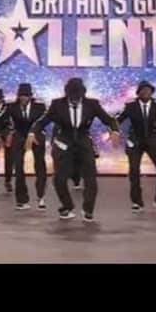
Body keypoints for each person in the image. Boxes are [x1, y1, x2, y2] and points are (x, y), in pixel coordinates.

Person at [26, 78, 120, 222]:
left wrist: (115, 131)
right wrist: (32, 133)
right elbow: (42, 121)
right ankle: (67, 206)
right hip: (64, 143)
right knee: (59, 179)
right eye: (72, 96)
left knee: (90, 178)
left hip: (84, 143)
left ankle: (88, 210)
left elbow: (109, 120)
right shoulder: (57, 104)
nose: (75, 99)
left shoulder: (92, 104)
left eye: (78, 96)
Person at [115, 81, 156, 214]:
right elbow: (117, 119)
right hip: (135, 139)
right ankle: (136, 202)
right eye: (143, 90)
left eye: (149, 90)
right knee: (134, 170)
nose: (146, 92)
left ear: (152, 92)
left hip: (153, 138)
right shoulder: (130, 106)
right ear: (138, 92)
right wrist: (114, 131)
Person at [3, 83, 47, 210]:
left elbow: (43, 121)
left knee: (40, 165)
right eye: (21, 95)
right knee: (18, 167)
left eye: (26, 96)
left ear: (30, 96)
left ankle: (41, 196)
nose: (23, 98)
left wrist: (34, 134)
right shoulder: (11, 107)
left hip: (36, 136)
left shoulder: (40, 107)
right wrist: (8, 133)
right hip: (19, 136)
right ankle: (22, 200)